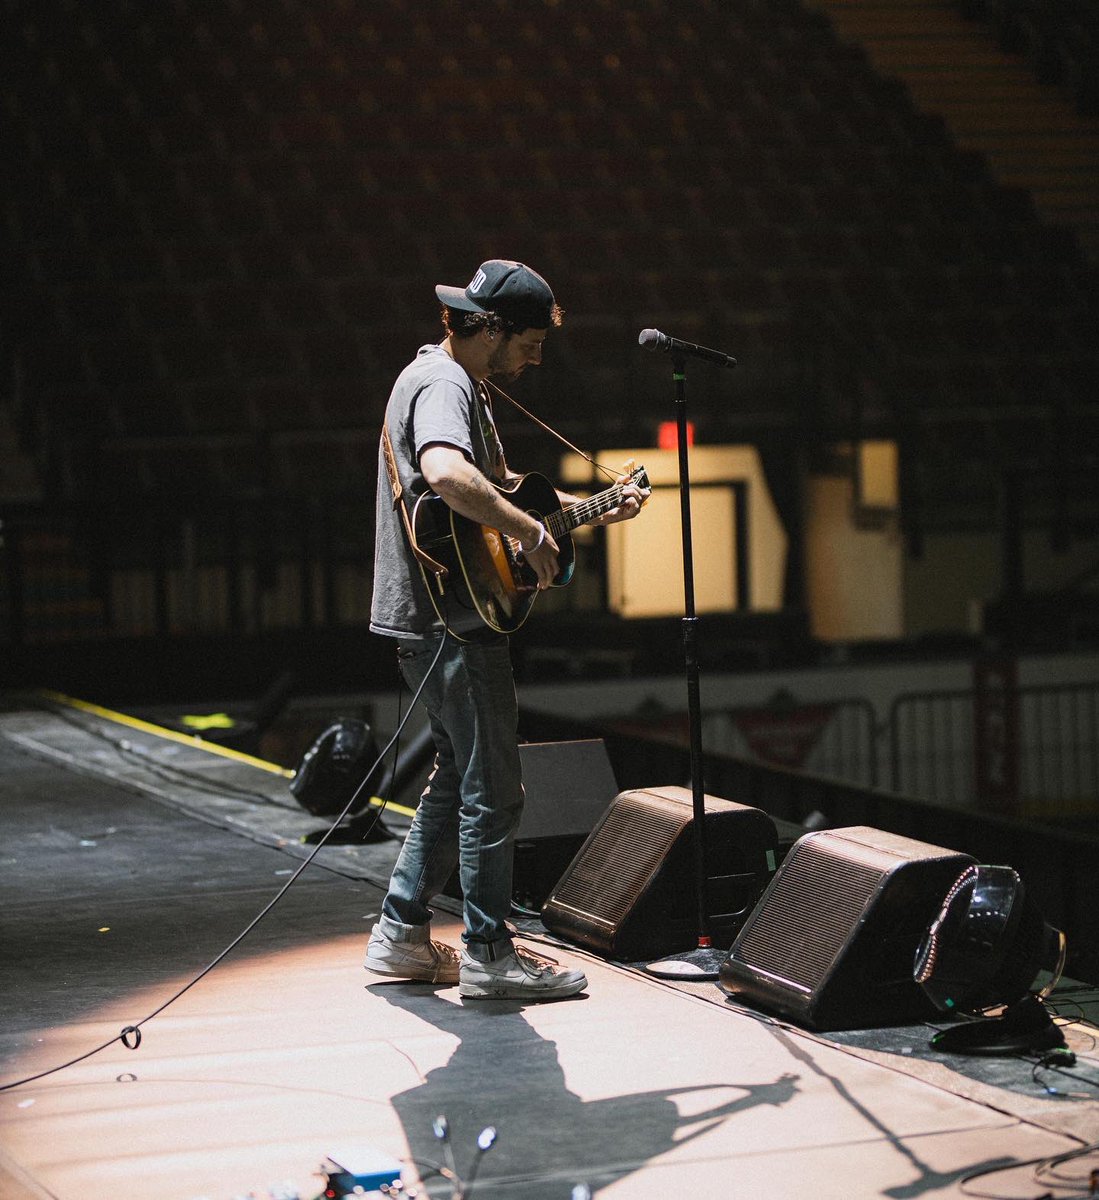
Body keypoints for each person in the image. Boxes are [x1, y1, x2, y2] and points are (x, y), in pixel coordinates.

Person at [364, 259, 647, 1001]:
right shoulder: (442, 385)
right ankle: (489, 952)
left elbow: (490, 507)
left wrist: (591, 509)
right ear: (489, 328)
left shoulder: (464, 385)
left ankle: (399, 933)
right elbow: (448, 475)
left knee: (458, 775)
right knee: (495, 787)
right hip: (448, 625)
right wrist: (528, 531)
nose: (536, 356)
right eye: (528, 340)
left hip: (444, 616)